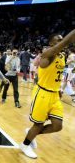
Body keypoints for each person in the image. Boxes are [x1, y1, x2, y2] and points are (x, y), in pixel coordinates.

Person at [20, 30, 75, 159]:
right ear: (51, 43)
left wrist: (59, 89)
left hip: (55, 94)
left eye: (62, 39)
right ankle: (25, 144)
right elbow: (65, 42)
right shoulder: (47, 54)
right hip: (43, 93)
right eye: (58, 40)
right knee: (38, 124)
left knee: (57, 126)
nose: (61, 42)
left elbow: (58, 73)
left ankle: (31, 133)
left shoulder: (62, 55)